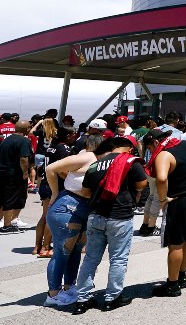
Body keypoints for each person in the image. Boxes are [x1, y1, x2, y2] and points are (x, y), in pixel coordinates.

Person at [72, 134, 147, 314]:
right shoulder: (131, 162)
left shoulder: (95, 165)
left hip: (96, 215)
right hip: (120, 217)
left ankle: (83, 299)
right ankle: (112, 297)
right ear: (128, 148)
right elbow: (142, 184)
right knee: (118, 259)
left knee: (90, 259)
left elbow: (85, 191)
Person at [42, 130, 106, 307]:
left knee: (75, 251)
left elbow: (63, 171)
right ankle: (53, 294)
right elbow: (50, 168)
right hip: (68, 206)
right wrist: (55, 192)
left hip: (82, 207)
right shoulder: (87, 156)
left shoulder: (93, 159)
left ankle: (69, 286)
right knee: (62, 253)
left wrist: (68, 177)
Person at [149, 128, 186, 298]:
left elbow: (161, 178)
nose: (151, 152)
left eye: (150, 149)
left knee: (175, 243)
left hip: (180, 200)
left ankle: (172, 285)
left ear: (155, 142)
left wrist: (162, 199)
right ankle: (181, 276)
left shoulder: (164, 154)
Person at [33, 125, 74, 257]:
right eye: (73, 134)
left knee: (44, 216)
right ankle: (45, 246)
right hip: (55, 185)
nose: (75, 136)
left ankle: (37, 246)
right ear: (67, 136)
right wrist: (70, 180)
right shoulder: (64, 148)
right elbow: (62, 170)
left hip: (45, 183)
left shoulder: (51, 147)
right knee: (52, 218)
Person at [0, 121, 34, 232]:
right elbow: (24, 159)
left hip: (3, 173)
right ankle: (7, 225)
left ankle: (6, 222)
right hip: (14, 175)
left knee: (3, 199)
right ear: (27, 128)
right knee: (11, 200)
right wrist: (25, 174)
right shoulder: (24, 141)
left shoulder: (6, 140)